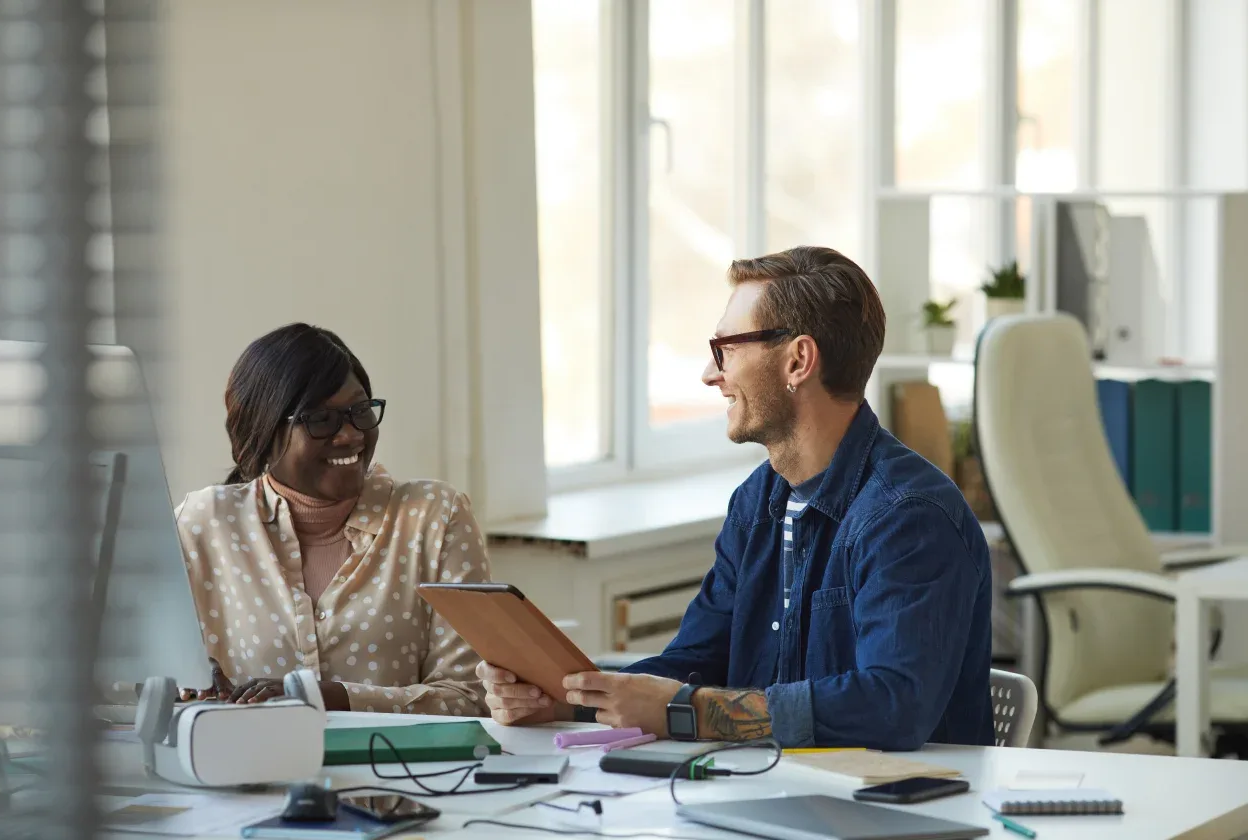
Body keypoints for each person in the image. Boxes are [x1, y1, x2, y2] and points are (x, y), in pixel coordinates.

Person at [479, 246, 993, 750]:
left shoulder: (908, 516)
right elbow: (695, 660)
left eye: (725, 349)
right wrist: (566, 700)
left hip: (894, 815)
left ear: (798, 360)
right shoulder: (757, 502)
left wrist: (689, 712)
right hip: (773, 793)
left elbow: (892, 706)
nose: (710, 373)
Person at [176, 323, 489, 714]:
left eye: (359, 411)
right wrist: (186, 683)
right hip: (250, 770)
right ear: (262, 431)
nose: (349, 435)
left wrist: (330, 698)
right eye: (320, 419)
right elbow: (139, 676)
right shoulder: (204, 524)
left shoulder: (435, 518)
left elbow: (472, 697)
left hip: (407, 775)